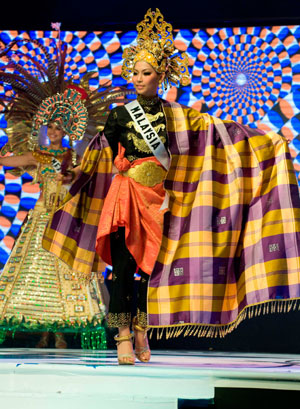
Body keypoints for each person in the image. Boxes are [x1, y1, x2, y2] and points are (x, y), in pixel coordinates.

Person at [43, 9, 300, 363]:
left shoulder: (181, 117)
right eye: (134, 72)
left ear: (160, 76)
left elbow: (223, 136)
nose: (137, 79)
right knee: (121, 269)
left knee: (150, 272)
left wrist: (269, 143)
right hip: (123, 197)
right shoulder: (120, 115)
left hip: (159, 201)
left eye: (145, 73)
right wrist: (75, 175)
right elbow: (100, 155)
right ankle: (120, 336)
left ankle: (142, 332)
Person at [0, 34, 128, 349]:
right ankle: (44, 331)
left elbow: (94, 175)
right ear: (44, 128)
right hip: (43, 217)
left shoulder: (76, 158)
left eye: (60, 128)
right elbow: (5, 160)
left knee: (70, 276)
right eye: (51, 127)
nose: (55, 132)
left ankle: (62, 332)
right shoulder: (37, 156)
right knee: (35, 275)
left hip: (69, 219)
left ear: (67, 129)